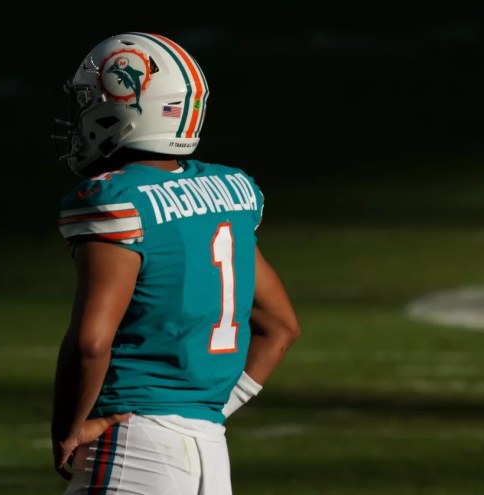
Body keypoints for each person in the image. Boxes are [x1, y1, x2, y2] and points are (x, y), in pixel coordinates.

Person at [49, 31, 301, 495]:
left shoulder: (115, 198)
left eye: (89, 101)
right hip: (210, 453)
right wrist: (206, 412)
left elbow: (91, 343)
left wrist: (66, 430)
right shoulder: (230, 190)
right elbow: (280, 328)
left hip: (131, 441)